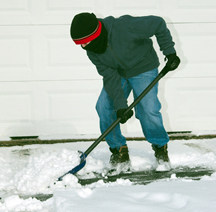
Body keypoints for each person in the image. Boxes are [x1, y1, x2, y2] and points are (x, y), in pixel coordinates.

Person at [70, 13, 180, 167]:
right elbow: (109, 76)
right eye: (80, 44)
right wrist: (120, 105)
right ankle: (118, 149)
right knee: (104, 107)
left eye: (85, 42)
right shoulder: (92, 50)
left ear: (95, 34)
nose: (84, 46)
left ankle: (160, 146)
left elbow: (158, 23)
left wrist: (169, 52)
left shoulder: (125, 26)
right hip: (119, 74)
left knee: (148, 109)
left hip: (144, 68)